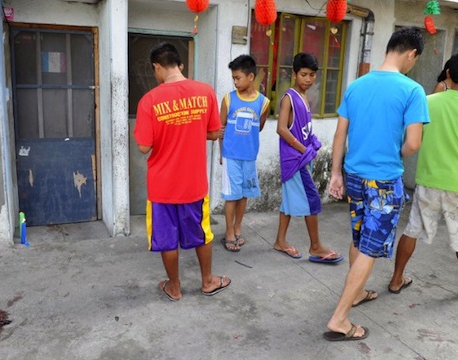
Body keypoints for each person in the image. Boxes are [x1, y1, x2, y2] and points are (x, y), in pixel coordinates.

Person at [325, 27, 429, 341]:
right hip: (384, 182)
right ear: (411, 54)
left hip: (354, 176)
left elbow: (340, 135)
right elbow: (413, 143)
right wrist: (392, 153)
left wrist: (336, 174)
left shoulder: (356, 86)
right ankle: (340, 318)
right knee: (370, 248)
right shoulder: (412, 91)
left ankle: (355, 294)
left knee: (358, 240)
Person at [388, 49, 458, 300]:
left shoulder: (426, 102)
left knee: (412, 229)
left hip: (428, 179)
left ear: (448, 73)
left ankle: (396, 279)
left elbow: (411, 138)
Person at [133, 42, 231, 301]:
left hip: (162, 186)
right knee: (202, 232)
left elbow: (144, 146)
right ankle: (208, 281)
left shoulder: (149, 100)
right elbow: (212, 132)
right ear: (180, 65)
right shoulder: (205, 92)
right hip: (193, 183)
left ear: (157, 67)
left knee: (166, 238)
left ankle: (174, 287)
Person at [272, 53, 342, 264]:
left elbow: (303, 128)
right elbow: (281, 129)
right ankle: (315, 246)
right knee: (312, 201)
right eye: (304, 74)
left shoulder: (304, 98)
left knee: (288, 202)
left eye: (312, 75)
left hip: (302, 158)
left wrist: (313, 141)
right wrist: (303, 149)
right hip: (295, 161)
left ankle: (280, 241)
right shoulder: (289, 98)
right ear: (294, 74)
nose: (308, 79)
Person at [218, 55, 270, 252]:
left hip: (249, 156)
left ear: (250, 77)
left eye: (238, 77)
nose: (235, 81)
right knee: (231, 195)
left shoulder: (263, 103)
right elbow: (219, 127)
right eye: (233, 78)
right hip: (231, 155)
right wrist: (221, 153)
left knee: (243, 195)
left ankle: (238, 227)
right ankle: (229, 231)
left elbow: (259, 127)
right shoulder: (228, 99)